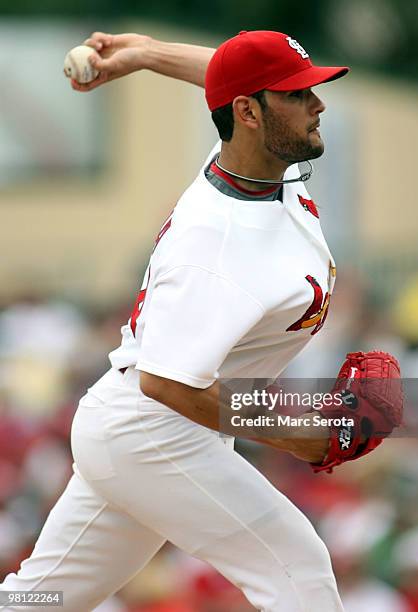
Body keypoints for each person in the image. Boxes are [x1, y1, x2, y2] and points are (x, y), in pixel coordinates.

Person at [2, 30, 357, 612]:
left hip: (138, 427)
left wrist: (144, 53)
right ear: (249, 114)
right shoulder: (215, 245)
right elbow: (168, 384)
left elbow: (229, 79)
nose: (317, 104)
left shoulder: (259, 159)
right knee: (299, 568)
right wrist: (297, 434)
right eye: (298, 94)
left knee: (38, 602)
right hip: (154, 431)